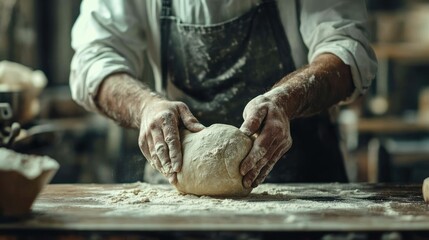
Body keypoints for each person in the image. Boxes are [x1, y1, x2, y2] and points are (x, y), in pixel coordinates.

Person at [70, 0, 377, 188]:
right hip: (181, 177)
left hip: (307, 181)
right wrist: (144, 106)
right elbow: (93, 59)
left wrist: (287, 98)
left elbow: (348, 48)